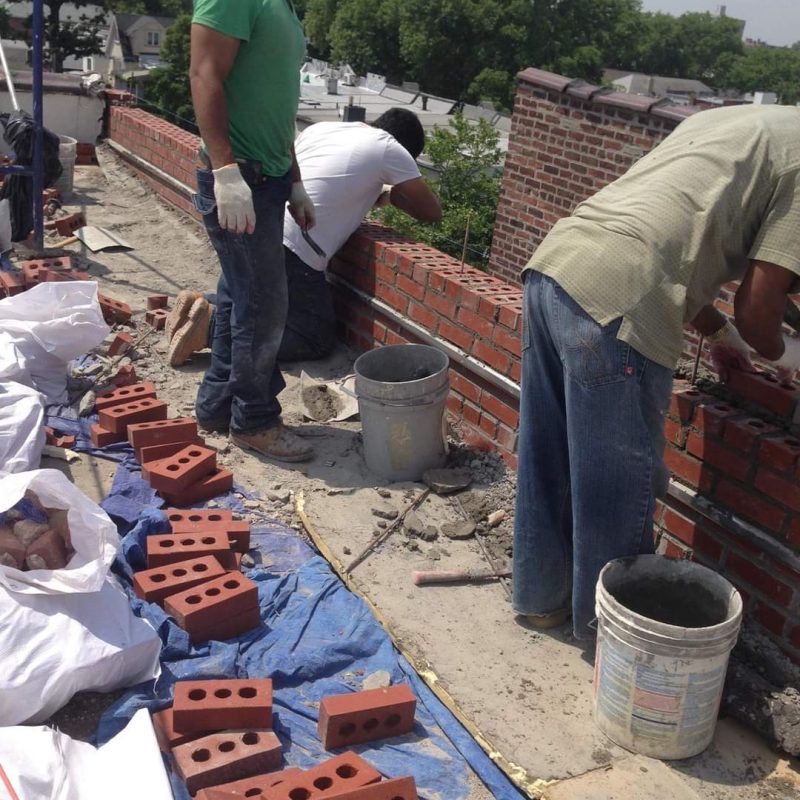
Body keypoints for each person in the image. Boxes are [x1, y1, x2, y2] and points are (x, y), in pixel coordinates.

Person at [514, 104, 800, 641]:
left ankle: (541, 603)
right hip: (620, 303)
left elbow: (667, 239)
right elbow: (760, 308)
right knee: (619, 492)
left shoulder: (742, 122)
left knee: (546, 456)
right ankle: (615, 648)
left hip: (556, 266)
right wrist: (789, 355)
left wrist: (718, 336)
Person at [166, 109, 441, 366]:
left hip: (261, 224)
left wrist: (373, 193)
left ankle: (202, 305)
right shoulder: (389, 148)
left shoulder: (324, 129)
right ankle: (211, 328)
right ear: (407, 150)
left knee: (257, 299)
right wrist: (394, 195)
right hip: (298, 247)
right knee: (314, 339)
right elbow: (431, 212)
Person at [189, 0, 316, 462]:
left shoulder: (281, 6)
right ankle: (255, 421)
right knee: (262, 305)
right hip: (242, 178)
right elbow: (204, 75)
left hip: (267, 178)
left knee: (240, 296)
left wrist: (295, 180)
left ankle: (218, 406)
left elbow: (277, 103)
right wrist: (225, 170)